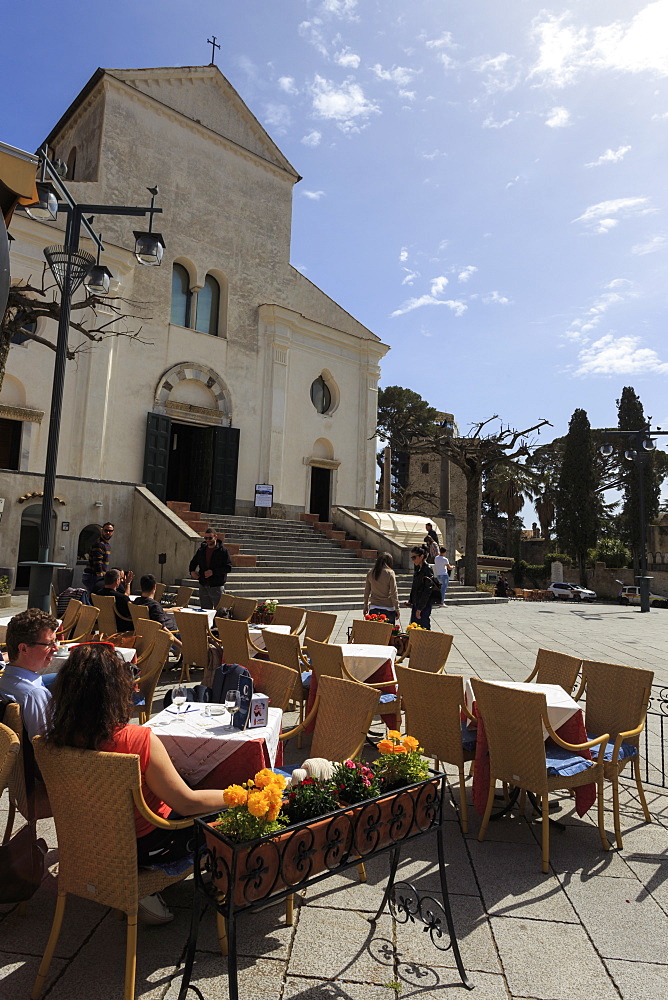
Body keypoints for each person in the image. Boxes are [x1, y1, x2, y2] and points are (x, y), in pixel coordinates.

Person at [46, 643, 230, 924]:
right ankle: (239, 889)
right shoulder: (137, 739)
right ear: (115, 689)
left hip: (92, 841)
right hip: (148, 845)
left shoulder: (54, 742)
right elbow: (187, 802)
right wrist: (238, 794)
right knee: (228, 807)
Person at [0, 609, 59, 740]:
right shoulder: (34, 694)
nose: (56, 649)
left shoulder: (4, 682)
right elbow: (43, 747)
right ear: (24, 649)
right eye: (49, 644)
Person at [133, 574, 182, 650]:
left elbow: (151, 610)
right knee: (188, 633)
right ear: (155, 587)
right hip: (167, 636)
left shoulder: (137, 602)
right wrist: (181, 646)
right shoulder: (155, 605)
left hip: (145, 635)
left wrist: (170, 609)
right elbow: (163, 629)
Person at [189, 527, 232, 609]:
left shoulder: (223, 551)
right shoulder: (202, 550)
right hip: (203, 584)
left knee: (220, 611)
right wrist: (192, 571)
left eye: (210, 538)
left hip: (217, 585)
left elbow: (228, 567)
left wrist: (213, 572)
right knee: (205, 611)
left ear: (216, 537)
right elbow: (194, 562)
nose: (208, 540)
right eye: (206, 538)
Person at [363, 552, 400, 625]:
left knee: (374, 634)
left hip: (374, 607)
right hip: (388, 607)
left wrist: (365, 605)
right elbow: (393, 592)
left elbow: (367, 591)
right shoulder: (390, 573)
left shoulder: (371, 572)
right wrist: (397, 608)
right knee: (388, 634)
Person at [405, 545, 436, 630]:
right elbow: (414, 587)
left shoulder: (427, 569)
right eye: (412, 557)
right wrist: (410, 601)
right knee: (413, 628)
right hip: (417, 603)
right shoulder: (418, 568)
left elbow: (427, 590)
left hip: (423, 605)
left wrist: (420, 608)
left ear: (421, 556)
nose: (412, 560)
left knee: (423, 629)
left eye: (414, 557)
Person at [97, 568, 134, 633]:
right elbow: (128, 615)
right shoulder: (121, 598)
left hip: (103, 623)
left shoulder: (97, 594)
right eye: (120, 579)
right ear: (117, 581)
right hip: (120, 627)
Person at [82, 522, 115, 593]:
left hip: (95, 576)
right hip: (93, 576)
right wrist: (100, 575)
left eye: (110, 531)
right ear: (102, 531)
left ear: (113, 532)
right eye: (106, 530)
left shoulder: (106, 545)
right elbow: (97, 561)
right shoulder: (99, 544)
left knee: (93, 598)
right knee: (93, 598)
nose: (108, 532)